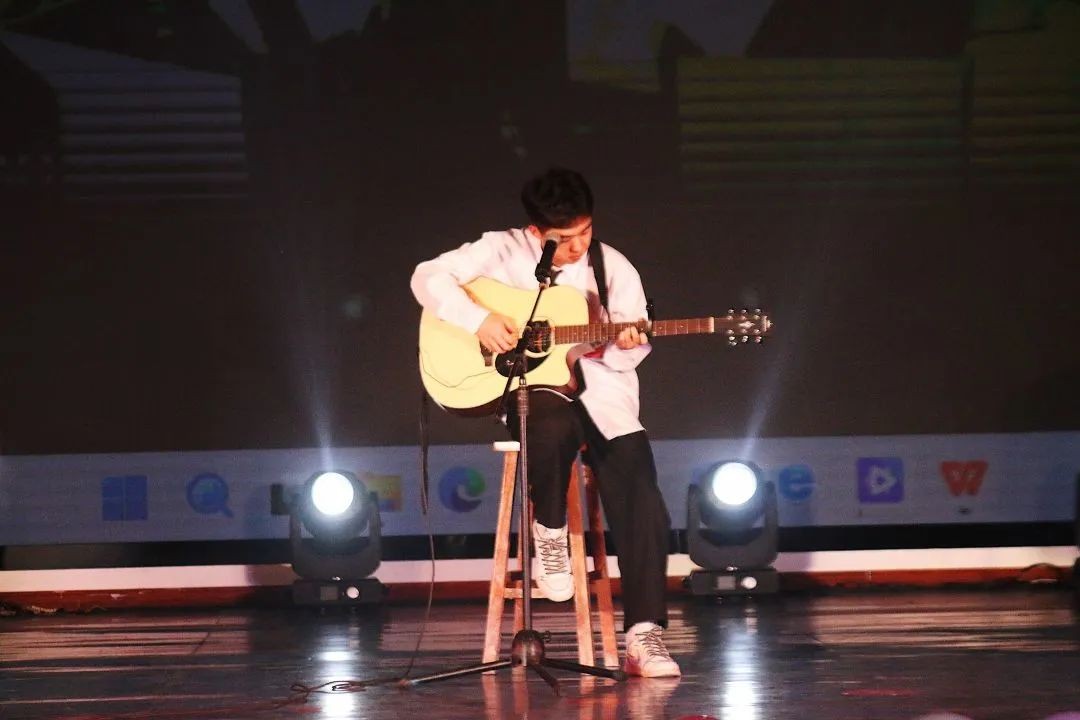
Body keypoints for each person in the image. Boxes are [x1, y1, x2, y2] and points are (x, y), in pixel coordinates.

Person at [410, 167, 679, 678]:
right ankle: (549, 529)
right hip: (528, 393)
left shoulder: (612, 266)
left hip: (602, 394)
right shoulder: (500, 250)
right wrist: (479, 320)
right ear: (536, 232)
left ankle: (645, 633)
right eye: (565, 238)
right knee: (550, 420)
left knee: (641, 489)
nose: (578, 247)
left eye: (585, 232)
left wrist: (622, 342)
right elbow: (426, 277)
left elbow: (630, 350)